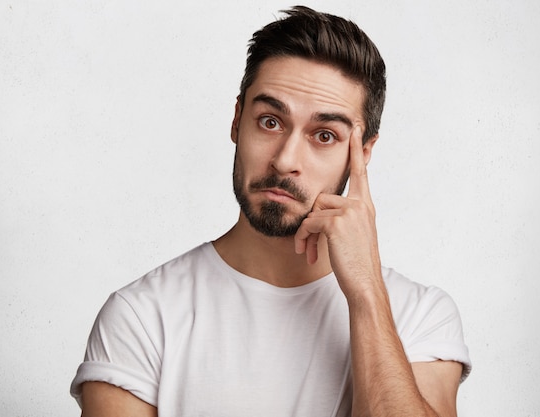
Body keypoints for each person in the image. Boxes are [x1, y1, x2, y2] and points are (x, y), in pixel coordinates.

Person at [70, 6, 471, 416]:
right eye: (270, 122)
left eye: (324, 135)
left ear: (363, 153)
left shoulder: (420, 315)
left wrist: (366, 295)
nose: (285, 160)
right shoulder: (142, 316)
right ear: (237, 120)